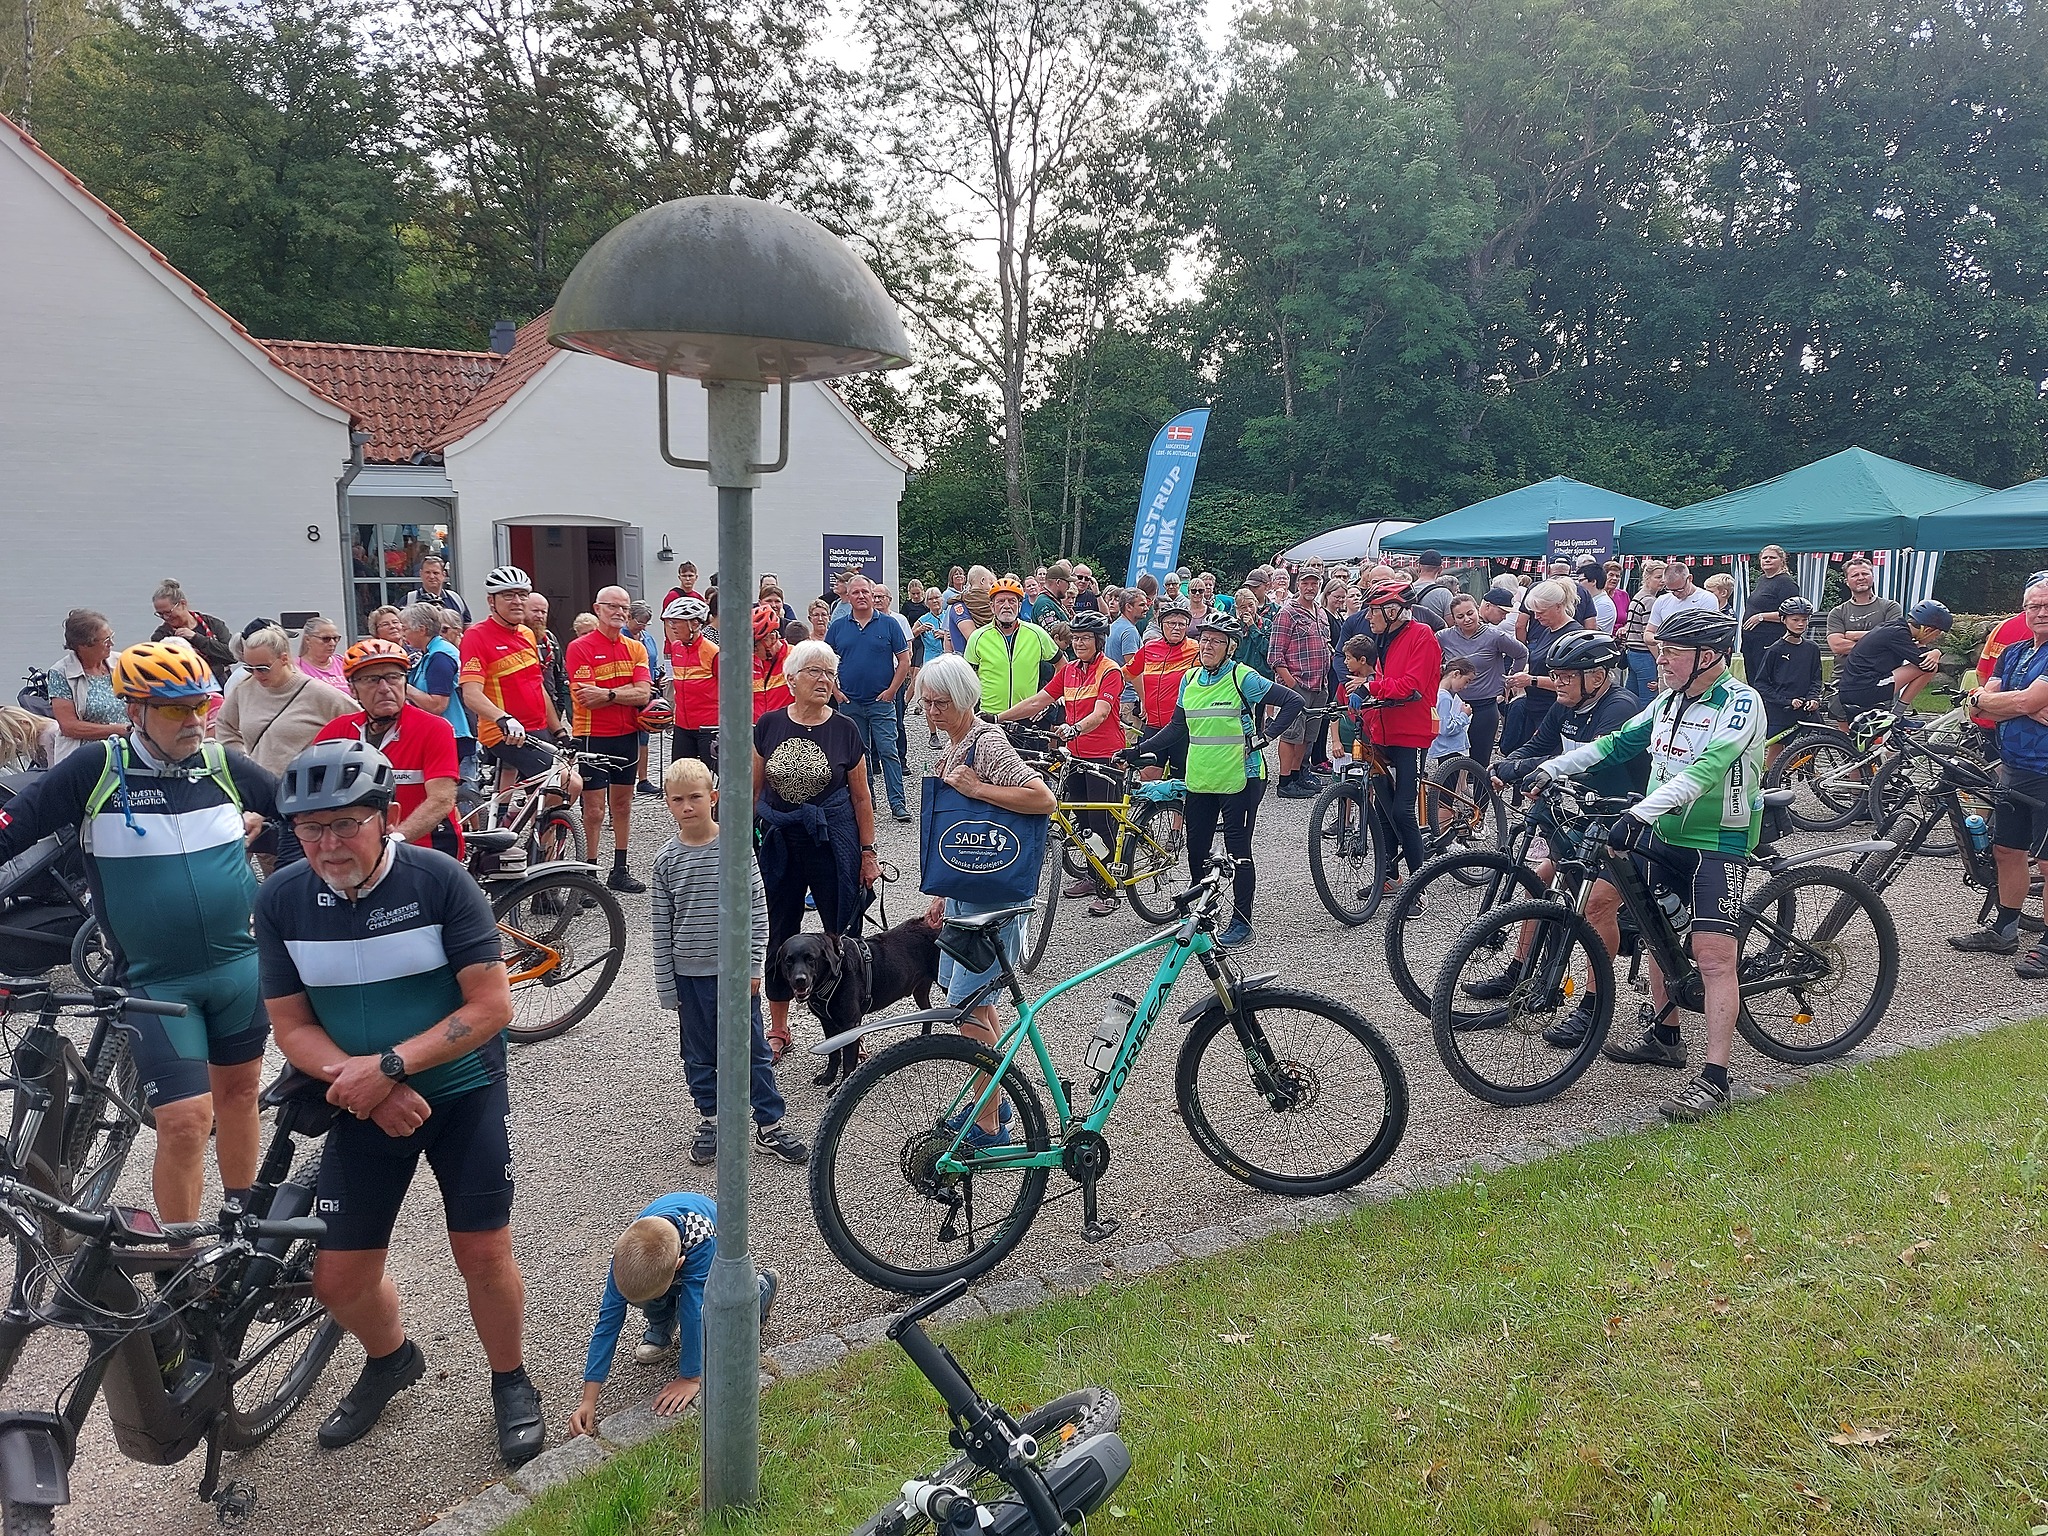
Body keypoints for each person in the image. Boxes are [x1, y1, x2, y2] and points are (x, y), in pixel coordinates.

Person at [255, 739, 540, 1466]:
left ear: (384, 818)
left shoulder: (439, 880)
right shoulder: (282, 899)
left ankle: (511, 1379)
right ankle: (391, 1358)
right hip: (362, 1103)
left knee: (482, 1250)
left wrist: (389, 1067)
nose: (327, 844)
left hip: (462, 1092)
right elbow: (290, 1025)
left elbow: (491, 1007)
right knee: (338, 1280)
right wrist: (363, 1085)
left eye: (344, 824)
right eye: (310, 829)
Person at [0, 639, 279, 1223]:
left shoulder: (222, 765)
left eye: (201, 704)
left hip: (239, 969)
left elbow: (306, 819)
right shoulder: (97, 768)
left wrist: (290, 884)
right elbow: (10, 831)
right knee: (185, 1121)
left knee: (240, 1095)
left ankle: (239, 1227)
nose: (195, 719)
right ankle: (179, 1251)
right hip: (157, 981)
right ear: (135, 711)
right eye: (176, 708)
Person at [1532, 608, 1766, 1121]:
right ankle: (1666, 1035)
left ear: (1709, 656)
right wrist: (1552, 767)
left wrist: (1640, 813)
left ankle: (1716, 1078)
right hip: (1665, 833)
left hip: (1717, 839)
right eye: (1660, 650)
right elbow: (1615, 744)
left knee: (1713, 956)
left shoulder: (1741, 703)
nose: (1660, 659)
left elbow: (1707, 769)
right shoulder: (1667, 701)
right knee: (1658, 931)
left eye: (1673, 651)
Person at [917, 655, 1058, 1139]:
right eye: (926, 703)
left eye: (941, 702)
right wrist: (944, 891)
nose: (932, 711)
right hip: (970, 891)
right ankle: (996, 1099)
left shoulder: (987, 742)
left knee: (968, 1007)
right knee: (979, 1005)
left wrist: (978, 788)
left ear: (964, 699)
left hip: (992, 901)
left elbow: (1043, 799)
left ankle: (989, 1123)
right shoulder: (955, 743)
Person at [1480, 631, 1645, 1041]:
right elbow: (1538, 745)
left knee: (1596, 907)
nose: (1558, 683)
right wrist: (1505, 765)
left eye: (1567, 676)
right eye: (1555, 675)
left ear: (1598, 676)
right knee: (1539, 882)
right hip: (1584, 815)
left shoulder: (1620, 706)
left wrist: (1524, 769)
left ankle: (1593, 1003)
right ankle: (1519, 971)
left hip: (1625, 819)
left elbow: (1585, 761)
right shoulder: (1565, 705)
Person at [651, 756, 807, 1166]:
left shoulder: (736, 848)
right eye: (678, 799)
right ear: (667, 803)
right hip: (690, 976)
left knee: (752, 1050)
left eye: (695, 797)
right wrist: (667, 985)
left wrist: (754, 965)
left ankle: (769, 1124)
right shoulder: (666, 861)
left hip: (735, 975)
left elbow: (757, 910)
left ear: (714, 797)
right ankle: (712, 1119)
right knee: (699, 1053)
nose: (687, 807)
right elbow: (661, 926)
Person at [1122, 617, 1301, 948]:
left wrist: (1265, 737)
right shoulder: (1190, 679)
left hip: (1242, 778)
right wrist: (1138, 750)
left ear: (1230, 647)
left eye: (1216, 641)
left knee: (1238, 851)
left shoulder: (1242, 677)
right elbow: (1177, 728)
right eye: (1204, 639)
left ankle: (1242, 922)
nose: (1207, 646)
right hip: (1201, 778)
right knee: (1196, 850)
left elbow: (1294, 702)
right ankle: (1203, 913)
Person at [754, 641, 878, 1063]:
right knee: (778, 932)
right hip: (781, 842)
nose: (824, 680)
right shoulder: (768, 725)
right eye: (815, 672)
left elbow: (861, 798)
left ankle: (850, 1031)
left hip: (832, 843)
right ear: (791, 679)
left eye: (830, 673)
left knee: (842, 937)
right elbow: (753, 790)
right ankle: (778, 1028)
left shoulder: (845, 729)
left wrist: (868, 853)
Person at [566, 1194, 778, 1438]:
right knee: (649, 1290)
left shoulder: (702, 1242)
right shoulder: (624, 1256)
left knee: (722, 1316)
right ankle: (663, 1321)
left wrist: (691, 1377)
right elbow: (607, 1323)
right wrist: (588, 1400)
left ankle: (761, 1289)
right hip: (675, 1256)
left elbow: (694, 1312)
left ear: (679, 1265)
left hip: (717, 1252)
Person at [999, 610, 1125, 917]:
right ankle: (1093, 874)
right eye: (1076, 638)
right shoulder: (1069, 670)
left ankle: (1110, 887)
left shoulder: (1110, 671)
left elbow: (1101, 713)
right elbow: (1038, 701)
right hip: (1075, 756)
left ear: (1099, 641)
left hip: (1104, 755)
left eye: (1086, 638)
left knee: (1101, 822)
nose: (1079, 643)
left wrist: (1075, 728)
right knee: (1081, 821)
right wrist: (998, 717)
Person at [1954, 578, 2048, 971]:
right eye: (2033, 606)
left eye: (2047, 605)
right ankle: (2005, 928)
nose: (2040, 612)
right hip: (2013, 766)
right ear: (2023, 610)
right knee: (2007, 850)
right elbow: (1977, 704)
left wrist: (2008, 703)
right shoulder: (2013, 652)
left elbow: (2024, 700)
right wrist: (2008, 703)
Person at [313, 639, 464, 856]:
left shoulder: (434, 728)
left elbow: (441, 799)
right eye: (371, 680)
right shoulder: (338, 731)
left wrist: (395, 840)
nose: (384, 688)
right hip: (359, 850)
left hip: (425, 847)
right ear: (353, 689)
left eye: (393, 677)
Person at [567, 586, 655, 893]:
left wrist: (607, 694)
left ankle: (619, 870)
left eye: (624, 608)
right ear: (597, 608)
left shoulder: (636, 648)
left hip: (627, 735)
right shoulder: (580, 647)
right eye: (612, 606)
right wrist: (626, 693)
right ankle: (588, 875)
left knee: (622, 805)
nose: (619, 612)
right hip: (592, 736)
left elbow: (644, 694)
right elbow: (585, 699)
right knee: (593, 811)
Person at [1355, 582, 1442, 884]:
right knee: (1383, 810)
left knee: (1403, 812)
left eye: (1373, 611)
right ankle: (1390, 878)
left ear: (1392, 611)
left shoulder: (1422, 635)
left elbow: (1411, 684)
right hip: (1383, 731)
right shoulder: (1383, 639)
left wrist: (1370, 687)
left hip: (1411, 732)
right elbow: (1382, 682)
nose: (1368, 617)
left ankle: (1419, 887)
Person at [460, 566, 570, 790]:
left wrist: (558, 730)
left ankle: (509, 812)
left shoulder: (527, 634)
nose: (517, 601)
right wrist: (502, 718)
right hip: (504, 732)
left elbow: (538, 687)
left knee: (544, 794)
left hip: (536, 728)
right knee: (566, 782)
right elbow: (471, 694)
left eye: (522, 595)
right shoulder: (476, 636)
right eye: (508, 595)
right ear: (491, 601)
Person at [826, 576, 912, 824]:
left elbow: (904, 660)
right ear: (848, 596)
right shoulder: (838, 627)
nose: (861, 596)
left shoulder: (889, 624)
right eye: (856, 592)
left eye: (865, 591)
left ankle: (898, 804)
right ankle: (867, 801)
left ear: (873, 595)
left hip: (881, 702)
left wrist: (892, 691)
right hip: (850, 703)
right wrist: (836, 693)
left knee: (889, 752)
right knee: (858, 756)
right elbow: (825, 662)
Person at [216, 625, 356, 776]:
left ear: (284, 659)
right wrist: (241, 761)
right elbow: (224, 724)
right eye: (249, 668)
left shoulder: (319, 693)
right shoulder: (244, 689)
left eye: (263, 668)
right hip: (258, 785)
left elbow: (360, 723)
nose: (256, 675)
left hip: (304, 785)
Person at [1432, 593, 1527, 766]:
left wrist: (1510, 680)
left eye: (1470, 613)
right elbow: (1430, 660)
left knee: (1479, 763)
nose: (1467, 619)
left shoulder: (1495, 636)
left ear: (1477, 610)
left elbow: (1521, 653)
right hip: (1452, 705)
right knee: (1448, 762)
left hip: (1485, 706)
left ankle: (1479, 785)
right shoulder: (1443, 637)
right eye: (1460, 616)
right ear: (1453, 619)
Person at [1268, 569, 1333, 798]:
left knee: (1307, 735)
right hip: (1298, 684)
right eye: (1306, 583)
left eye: (1315, 583)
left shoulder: (1321, 612)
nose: (1310, 587)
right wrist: (1291, 684)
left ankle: (1298, 775)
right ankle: (1285, 782)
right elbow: (1275, 655)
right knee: (1290, 734)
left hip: (1319, 685)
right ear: (1298, 585)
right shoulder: (1287, 613)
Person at [1833, 600, 1951, 719]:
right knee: (1930, 668)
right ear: (1927, 630)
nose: (1934, 639)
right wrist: (1936, 652)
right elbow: (1924, 663)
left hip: (1852, 688)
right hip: (1865, 689)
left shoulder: (1895, 627)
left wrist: (1930, 650)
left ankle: (1895, 718)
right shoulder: (1899, 635)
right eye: (1937, 635)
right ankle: (1897, 715)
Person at [1499, 580, 1578, 756]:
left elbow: (1573, 683)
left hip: (1554, 710)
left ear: (1558, 607)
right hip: (1536, 706)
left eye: (1541, 612)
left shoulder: (1571, 635)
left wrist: (1531, 680)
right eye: (1534, 612)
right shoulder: (1548, 630)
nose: (1536, 617)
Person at [963, 577, 1060, 716]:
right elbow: (966, 679)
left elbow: (1062, 665)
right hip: (990, 716)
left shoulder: (1036, 633)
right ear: (992, 606)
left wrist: (1048, 699)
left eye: (1012, 601)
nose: (1007, 606)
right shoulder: (977, 637)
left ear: (1019, 606)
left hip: (1027, 715)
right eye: (1001, 601)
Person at [1752, 597, 1824, 770]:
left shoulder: (1812, 648)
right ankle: (1773, 781)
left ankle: (1801, 773)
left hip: (1806, 710)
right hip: (1780, 711)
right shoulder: (1775, 650)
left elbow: (1816, 678)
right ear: (1783, 620)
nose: (1800, 624)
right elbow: (1761, 684)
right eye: (1795, 619)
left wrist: (1813, 698)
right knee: (1776, 751)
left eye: (1804, 620)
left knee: (1812, 745)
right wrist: (1786, 701)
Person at [45, 608, 125, 763]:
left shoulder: (122, 662)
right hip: (84, 757)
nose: (112, 644)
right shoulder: (61, 672)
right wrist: (117, 730)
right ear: (83, 646)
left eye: (111, 637)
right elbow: (69, 727)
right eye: (106, 641)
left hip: (125, 749)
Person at [402, 602, 474, 773]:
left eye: (405, 629)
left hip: (453, 735)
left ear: (422, 630)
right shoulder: (433, 651)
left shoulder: (440, 657)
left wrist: (403, 687)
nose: (403, 634)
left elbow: (437, 705)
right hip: (446, 733)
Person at [662, 596, 719, 769]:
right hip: (682, 726)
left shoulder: (713, 652)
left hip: (708, 727)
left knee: (715, 775)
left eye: (676, 622)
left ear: (694, 624)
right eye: (671, 622)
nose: (672, 626)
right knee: (680, 775)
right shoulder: (676, 648)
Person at [149, 577, 235, 685]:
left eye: (168, 612)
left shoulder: (213, 624)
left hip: (223, 685)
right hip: (187, 688)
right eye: (160, 614)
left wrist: (195, 637)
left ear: (182, 604)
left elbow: (232, 656)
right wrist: (218, 668)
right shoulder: (161, 636)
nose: (165, 617)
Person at [1740, 545, 1800, 678]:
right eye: (1764, 557)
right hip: (1752, 641)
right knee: (1754, 678)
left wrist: (1761, 617)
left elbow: (1793, 614)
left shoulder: (1786, 583)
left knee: (1766, 679)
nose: (1767, 560)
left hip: (1770, 641)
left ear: (1782, 560)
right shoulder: (1762, 579)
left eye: (1772, 557)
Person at [1825, 559, 1902, 659]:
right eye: (1855, 575)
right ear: (1847, 581)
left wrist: (1854, 635)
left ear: (1873, 577)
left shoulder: (1891, 607)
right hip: (1846, 668)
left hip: (1883, 668)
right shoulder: (1837, 613)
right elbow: (1837, 646)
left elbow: (1894, 638)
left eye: (1865, 574)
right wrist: (1881, 641)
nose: (1861, 578)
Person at [525, 593, 573, 729]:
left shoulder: (550, 639)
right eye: (535, 611)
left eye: (543, 612)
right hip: (524, 712)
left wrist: (559, 709)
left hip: (550, 710)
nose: (540, 616)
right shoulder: (513, 638)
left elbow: (560, 675)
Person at [1622, 560, 1665, 697]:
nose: (1662, 581)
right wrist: (1659, 661)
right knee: (1649, 698)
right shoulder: (1650, 601)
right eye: (1658, 577)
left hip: (1632, 653)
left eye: (1664, 577)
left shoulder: (1638, 596)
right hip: (1645, 654)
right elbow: (1648, 635)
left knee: (1631, 695)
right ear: (1647, 577)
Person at [752, 602, 794, 721]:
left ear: (771, 638)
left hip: (785, 726)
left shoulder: (795, 657)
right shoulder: (749, 663)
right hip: (756, 728)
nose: (753, 652)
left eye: (755, 646)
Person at [1430, 658, 1475, 768]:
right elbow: (1445, 728)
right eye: (1466, 681)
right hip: (1449, 749)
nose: (1465, 687)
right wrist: (1464, 715)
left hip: (1445, 748)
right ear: (1456, 674)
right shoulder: (1445, 698)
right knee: (1450, 778)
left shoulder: (1439, 693)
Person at [403, 555, 471, 624]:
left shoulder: (456, 599)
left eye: (435, 573)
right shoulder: (409, 600)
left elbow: (467, 625)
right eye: (427, 572)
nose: (432, 576)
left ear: (444, 575)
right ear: (421, 574)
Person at [297, 618, 349, 689]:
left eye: (335, 638)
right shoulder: (297, 667)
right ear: (308, 639)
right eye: (325, 639)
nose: (332, 643)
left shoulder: (344, 663)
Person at [1577, 561, 1617, 636]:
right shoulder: (1595, 601)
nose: (1578, 584)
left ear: (1593, 581)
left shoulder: (1605, 605)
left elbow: (1590, 632)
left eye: (1581, 580)